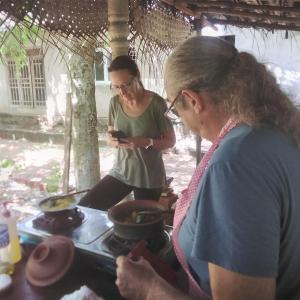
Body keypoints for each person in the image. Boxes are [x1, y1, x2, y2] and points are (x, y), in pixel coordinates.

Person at [115, 36, 300, 300]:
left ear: (192, 100)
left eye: (175, 109)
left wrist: (149, 289)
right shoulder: (276, 131)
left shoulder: (234, 164)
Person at [80, 55, 175, 210]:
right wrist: (112, 140)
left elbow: (170, 142)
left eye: (126, 84)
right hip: (121, 172)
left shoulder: (157, 104)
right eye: (116, 87)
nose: (122, 92)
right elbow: (110, 135)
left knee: (142, 228)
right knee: (86, 207)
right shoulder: (115, 103)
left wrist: (145, 141)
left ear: (137, 75)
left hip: (149, 178)